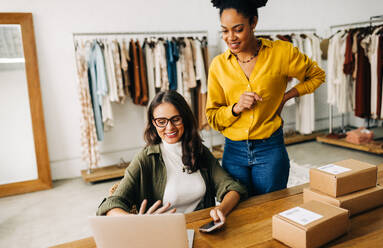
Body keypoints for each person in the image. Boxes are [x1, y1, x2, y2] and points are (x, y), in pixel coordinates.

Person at [206, 0, 326, 196]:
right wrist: (235, 108)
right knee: (239, 214)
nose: (230, 37)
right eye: (225, 31)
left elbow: (317, 75)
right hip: (233, 152)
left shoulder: (282, 53)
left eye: (237, 29)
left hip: (270, 149)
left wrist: (286, 96)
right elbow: (212, 118)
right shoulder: (218, 65)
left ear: (253, 22)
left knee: (271, 209)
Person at [97, 90, 247, 226]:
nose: (169, 128)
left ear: (185, 119)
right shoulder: (146, 159)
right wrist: (136, 222)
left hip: (201, 228)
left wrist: (221, 209)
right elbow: (111, 204)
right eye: (161, 122)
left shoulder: (199, 151)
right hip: (163, 234)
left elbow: (231, 187)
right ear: (153, 123)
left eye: (176, 119)